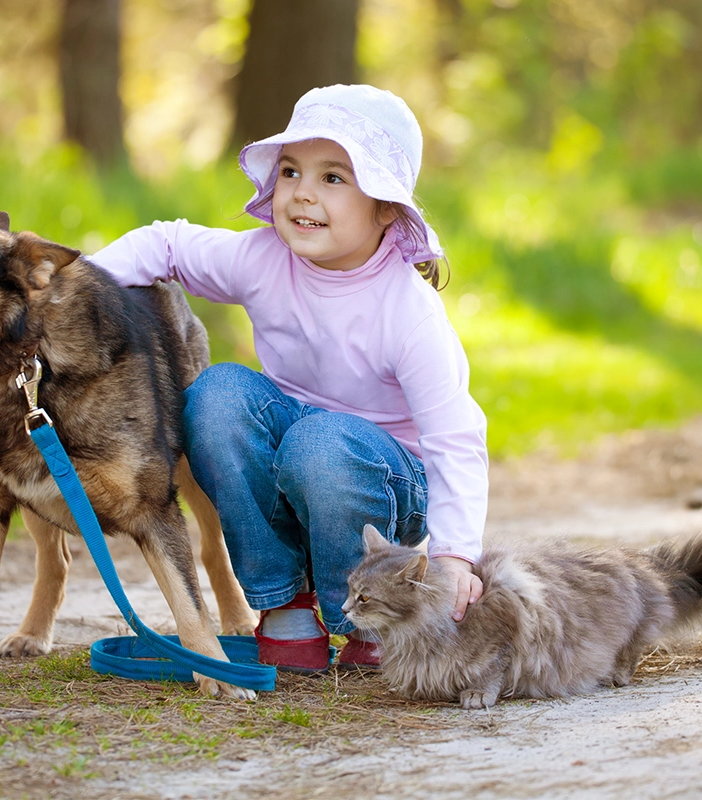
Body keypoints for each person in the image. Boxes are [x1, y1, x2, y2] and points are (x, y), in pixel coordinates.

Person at [90, 84, 488, 672]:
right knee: (216, 395)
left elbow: (454, 437)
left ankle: (368, 619)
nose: (302, 192)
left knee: (320, 443)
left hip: (385, 488)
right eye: (291, 171)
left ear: (385, 207)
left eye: (334, 178)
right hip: (294, 461)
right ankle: (284, 604)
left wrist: (455, 556)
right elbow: (166, 243)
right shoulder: (264, 259)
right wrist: (78, 286)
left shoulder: (407, 312)